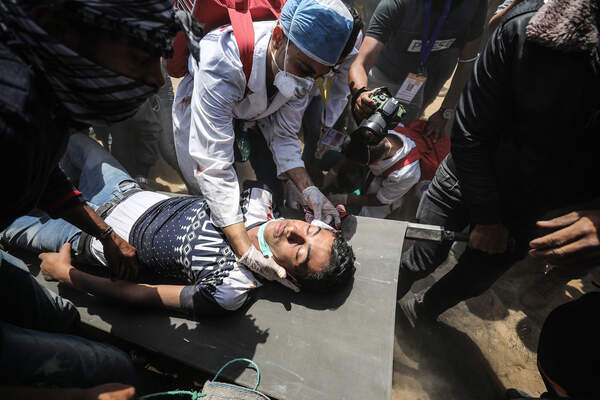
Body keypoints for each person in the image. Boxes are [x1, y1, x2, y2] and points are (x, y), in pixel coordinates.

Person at [0, 0, 182, 392]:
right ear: (68, 34)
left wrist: (106, 235)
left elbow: (44, 174)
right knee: (106, 367)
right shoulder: (10, 119)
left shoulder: (46, 93)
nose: (154, 80)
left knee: (59, 316)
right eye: (138, 58)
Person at [397, 0, 600, 327]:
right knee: (418, 255)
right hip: (467, 174)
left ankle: (420, 312)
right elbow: (470, 132)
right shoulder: (526, 29)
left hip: (533, 209)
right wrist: (489, 220)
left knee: (474, 279)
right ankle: (380, 305)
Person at [1, 134, 356, 320]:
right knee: (54, 139)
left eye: (300, 251)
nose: (292, 231)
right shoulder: (259, 200)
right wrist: (311, 193)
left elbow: (140, 294)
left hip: (80, 239)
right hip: (119, 187)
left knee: (7, 225)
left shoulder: (230, 288)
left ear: (289, 278)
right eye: (309, 230)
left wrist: (68, 275)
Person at [172, 0, 355, 289]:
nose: (304, 81)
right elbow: (213, 165)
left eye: (315, 75)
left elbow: (283, 136)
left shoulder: (301, 69)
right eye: (304, 68)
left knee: (249, 193)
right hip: (201, 118)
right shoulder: (224, 57)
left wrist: (309, 189)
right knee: (209, 201)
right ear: (279, 37)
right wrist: (245, 251)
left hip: (249, 117)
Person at [348, 0, 487, 139]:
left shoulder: (475, 4)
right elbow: (361, 62)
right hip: (386, 72)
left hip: (426, 79)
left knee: (402, 134)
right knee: (364, 133)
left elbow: (467, 61)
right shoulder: (396, 3)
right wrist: (361, 92)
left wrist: (446, 111)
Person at [326, 128, 421, 219]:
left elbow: (380, 200)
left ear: (374, 163)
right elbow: (352, 148)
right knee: (330, 157)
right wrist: (334, 170)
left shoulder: (406, 174)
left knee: (342, 214)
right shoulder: (377, 129)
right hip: (366, 172)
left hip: (379, 193)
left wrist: (345, 199)